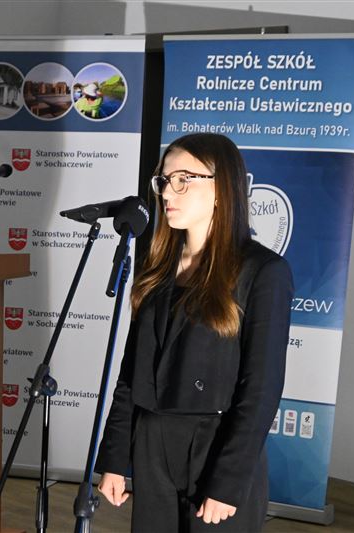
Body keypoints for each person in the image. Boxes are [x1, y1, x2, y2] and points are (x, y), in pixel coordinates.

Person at [95, 133, 293, 531]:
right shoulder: (157, 268)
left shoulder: (263, 272)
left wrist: (228, 482)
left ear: (222, 189)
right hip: (153, 446)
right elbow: (131, 373)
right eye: (164, 180)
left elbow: (261, 389)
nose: (168, 192)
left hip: (215, 446)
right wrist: (115, 458)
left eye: (183, 180)